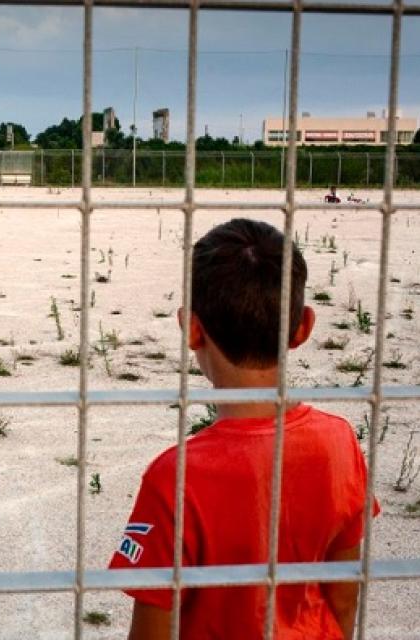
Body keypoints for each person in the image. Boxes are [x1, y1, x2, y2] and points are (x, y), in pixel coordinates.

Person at [108, 218, 377, 639]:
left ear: (192, 329)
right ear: (303, 327)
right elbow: (343, 596)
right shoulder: (340, 441)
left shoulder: (175, 477)